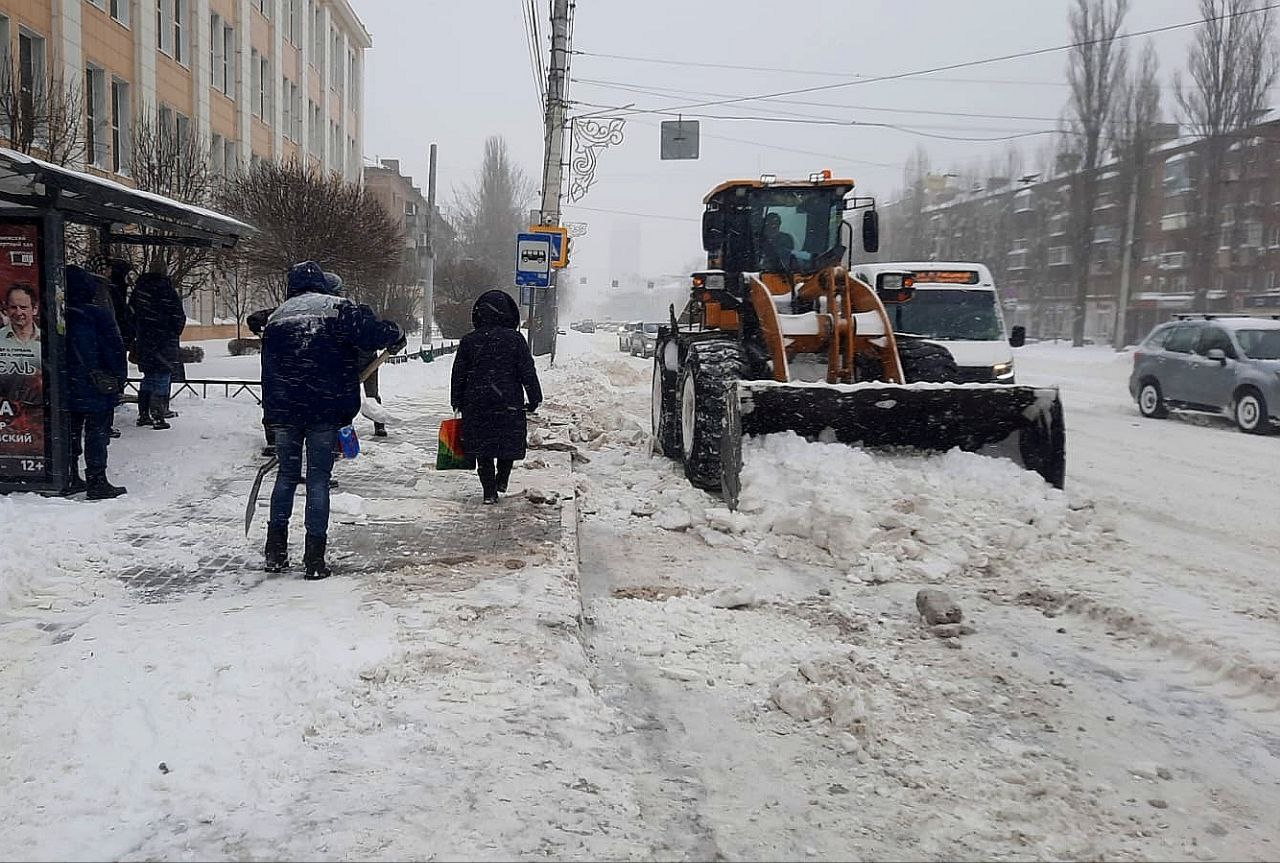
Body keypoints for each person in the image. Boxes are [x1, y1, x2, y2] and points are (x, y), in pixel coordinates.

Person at [261, 261, 405, 579]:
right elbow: (372, 334)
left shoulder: (278, 316)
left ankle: (275, 551)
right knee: (317, 479)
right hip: (324, 409)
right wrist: (395, 332)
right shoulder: (338, 309)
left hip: (284, 411)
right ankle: (314, 559)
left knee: (285, 477)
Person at [450, 289, 543, 505]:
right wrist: (535, 397)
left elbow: (459, 374)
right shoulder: (516, 340)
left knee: (483, 449)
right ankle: (502, 479)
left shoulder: (469, 341)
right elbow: (527, 371)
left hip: (477, 402)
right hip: (508, 401)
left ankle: (489, 491)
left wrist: (456, 400)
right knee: (506, 443)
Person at [65, 265, 128, 499]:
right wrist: (118, 379)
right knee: (97, 433)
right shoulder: (98, 315)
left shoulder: (55, 314)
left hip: (65, 384)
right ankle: (96, 480)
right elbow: (114, 349)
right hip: (96, 384)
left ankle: (70, 474)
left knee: (70, 431)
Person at [129, 267, 186, 430]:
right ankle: (158, 415)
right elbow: (178, 318)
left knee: (148, 377)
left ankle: (143, 414)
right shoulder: (168, 293)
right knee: (162, 376)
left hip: (144, 342)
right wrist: (171, 330)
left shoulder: (139, 293)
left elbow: (130, 316)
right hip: (165, 342)